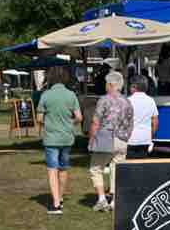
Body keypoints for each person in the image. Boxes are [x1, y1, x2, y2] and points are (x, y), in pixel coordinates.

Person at [36, 66, 82, 215]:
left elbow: (39, 118)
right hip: (67, 137)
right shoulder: (71, 95)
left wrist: (49, 123)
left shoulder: (46, 95)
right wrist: (69, 123)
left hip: (51, 138)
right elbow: (79, 117)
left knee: (52, 170)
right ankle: (60, 198)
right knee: (63, 168)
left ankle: (56, 204)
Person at [89, 71, 134, 212]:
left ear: (110, 84)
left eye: (106, 83)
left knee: (96, 168)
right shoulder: (127, 101)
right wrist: (126, 138)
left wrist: (91, 139)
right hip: (122, 139)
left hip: (105, 138)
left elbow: (96, 121)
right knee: (117, 169)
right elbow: (130, 123)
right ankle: (115, 201)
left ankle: (102, 199)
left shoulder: (104, 100)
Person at [127, 76, 158, 160]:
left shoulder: (128, 101)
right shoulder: (151, 100)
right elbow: (155, 122)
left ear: (134, 87)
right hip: (145, 139)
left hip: (130, 139)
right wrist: (151, 136)